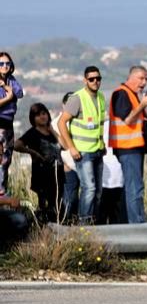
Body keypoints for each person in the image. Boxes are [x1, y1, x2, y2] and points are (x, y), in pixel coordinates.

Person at [57, 66, 107, 224]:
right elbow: (61, 123)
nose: (95, 81)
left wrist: (102, 144)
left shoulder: (101, 97)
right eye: (91, 79)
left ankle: (94, 222)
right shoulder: (77, 98)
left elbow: (98, 124)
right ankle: (83, 223)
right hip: (83, 152)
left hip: (98, 150)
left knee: (98, 191)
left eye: (98, 78)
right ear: (85, 80)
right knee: (89, 188)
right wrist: (71, 147)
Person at [109, 65, 147, 223]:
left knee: (133, 186)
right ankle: (137, 223)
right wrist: (142, 105)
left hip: (135, 147)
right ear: (131, 77)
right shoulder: (122, 94)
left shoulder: (133, 95)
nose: (144, 82)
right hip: (127, 147)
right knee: (135, 187)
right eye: (141, 78)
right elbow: (127, 119)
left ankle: (131, 221)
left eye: (146, 79)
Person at [14, 103, 65, 222]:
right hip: (42, 176)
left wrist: (52, 130)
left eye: (44, 113)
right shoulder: (32, 133)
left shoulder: (52, 132)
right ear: (33, 118)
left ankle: (58, 226)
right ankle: (43, 227)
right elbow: (16, 145)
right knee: (45, 207)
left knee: (58, 205)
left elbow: (63, 145)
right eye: (38, 115)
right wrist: (33, 152)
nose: (42, 117)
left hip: (58, 174)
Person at [53, 92, 80, 223]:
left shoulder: (78, 120)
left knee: (82, 196)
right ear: (64, 105)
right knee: (70, 196)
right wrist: (64, 165)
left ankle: (77, 222)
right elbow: (56, 147)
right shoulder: (56, 123)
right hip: (68, 166)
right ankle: (66, 222)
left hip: (81, 164)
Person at [0, 51, 24, 197]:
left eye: (7, 63)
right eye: (1, 63)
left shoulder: (11, 80)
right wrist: (9, 97)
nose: (5, 66)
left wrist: (8, 89)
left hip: (9, 124)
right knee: (0, 159)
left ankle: (3, 190)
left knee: (6, 160)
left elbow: (20, 93)